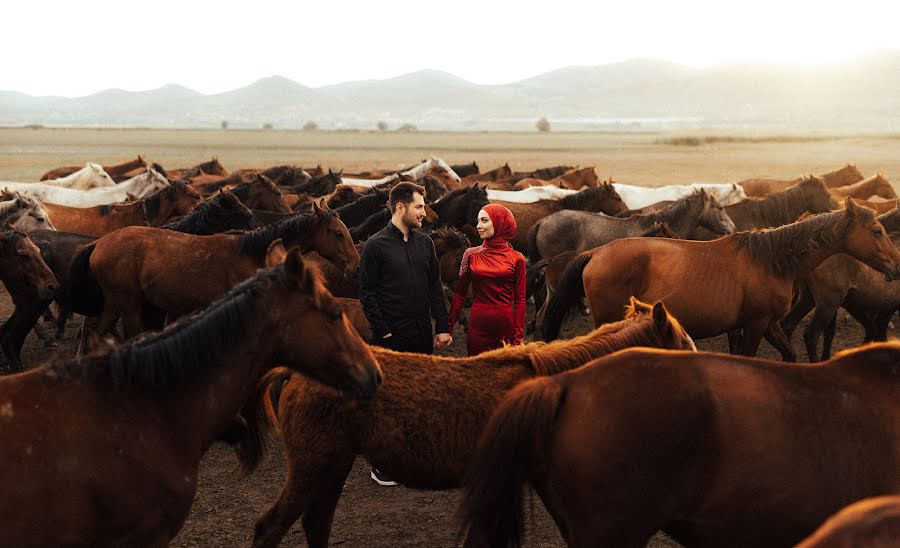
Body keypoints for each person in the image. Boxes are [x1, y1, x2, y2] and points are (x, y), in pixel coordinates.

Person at [359, 181, 453, 486]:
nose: (424, 213)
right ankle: (382, 465)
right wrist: (383, 331)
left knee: (421, 395)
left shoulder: (425, 243)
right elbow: (367, 293)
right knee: (387, 401)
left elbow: (434, 288)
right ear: (401, 207)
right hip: (390, 338)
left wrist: (442, 326)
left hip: (421, 334)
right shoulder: (374, 246)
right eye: (419, 207)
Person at [448, 204, 526, 356]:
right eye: (478, 221)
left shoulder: (517, 258)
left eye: (484, 220)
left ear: (499, 222)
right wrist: (448, 328)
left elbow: (520, 301)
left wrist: (518, 338)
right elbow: (459, 295)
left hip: (505, 329)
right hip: (478, 328)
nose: (478, 226)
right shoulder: (470, 255)